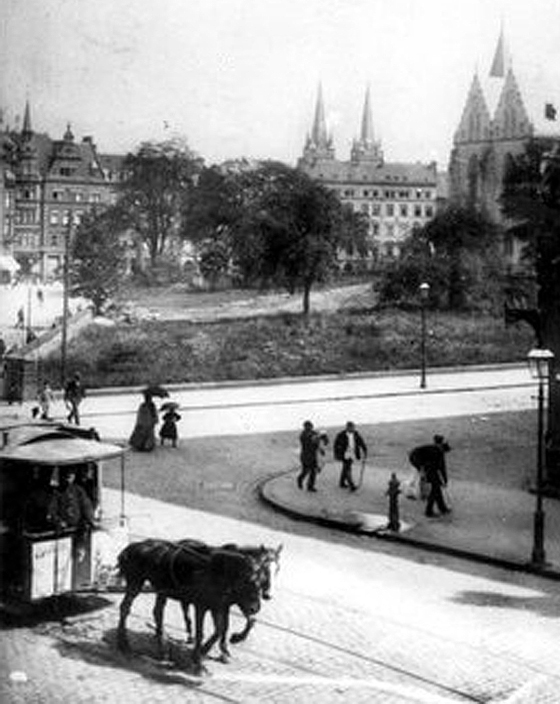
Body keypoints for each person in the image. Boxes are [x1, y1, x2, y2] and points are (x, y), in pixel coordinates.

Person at [409, 435, 451, 517]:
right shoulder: (438, 451)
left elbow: (440, 467)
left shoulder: (434, 449)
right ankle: (429, 511)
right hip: (424, 466)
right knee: (435, 489)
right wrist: (444, 480)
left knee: (437, 488)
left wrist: (443, 480)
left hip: (425, 466)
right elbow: (441, 468)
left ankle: (442, 508)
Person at [333, 421, 367, 491]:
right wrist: (336, 454)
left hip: (352, 453)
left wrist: (365, 450)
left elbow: (361, 442)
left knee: (346, 467)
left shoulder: (356, 434)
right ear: (347, 427)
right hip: (344, 454)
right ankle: (352, 485)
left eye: (353, 427)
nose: (353, 429)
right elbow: (335, 445)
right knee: (348, 468)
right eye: (351, 427)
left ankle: (341, 483)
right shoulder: (341, 434)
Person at [297, 420, 320, 492]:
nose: (309, 428)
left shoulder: (314, 433)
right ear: (304, 427)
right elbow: (306, 442)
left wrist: (321, 440)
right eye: (307, 426)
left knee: (314, 471)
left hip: (313, 455)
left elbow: (317, 442)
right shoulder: (303, 435)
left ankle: (310, 486)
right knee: (305, 471)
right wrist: (313, 438)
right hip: (305, 456)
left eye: (310, 426)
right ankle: (300, 479)